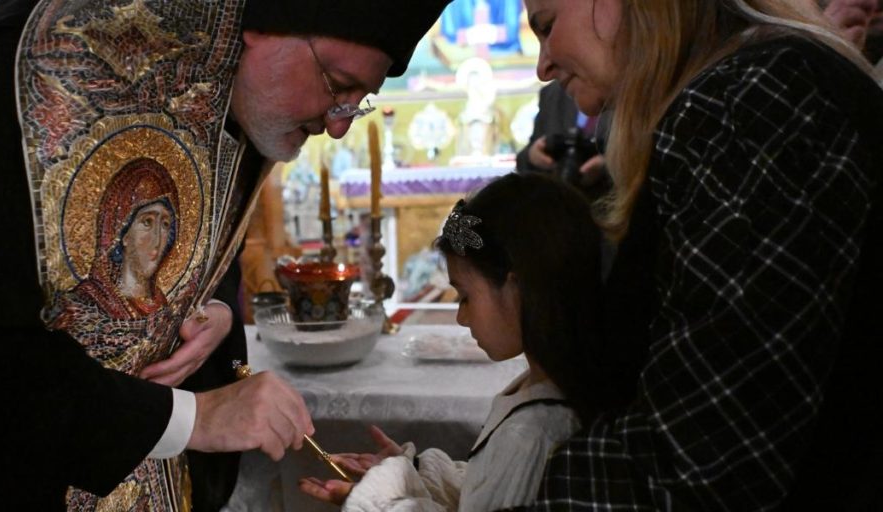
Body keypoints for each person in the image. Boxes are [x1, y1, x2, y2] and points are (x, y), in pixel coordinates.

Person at [0, 0, 452, 510]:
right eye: (338, 86)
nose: (339, 124)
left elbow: (204, 246)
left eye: (359, 102)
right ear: (263, 26)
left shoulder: (234, 94)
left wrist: (211, 310)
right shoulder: (8, 76)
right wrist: (195, 419)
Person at [508, 0, 883, 510]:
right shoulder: (753, 85)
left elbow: (699, 462)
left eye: (547, 27)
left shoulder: (746, 101)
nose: (543, 65)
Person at [298, 172, 626, 511]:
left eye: (465, 296)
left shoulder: (535, 431)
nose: (460, 317)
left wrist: (376, 503)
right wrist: (412, 474)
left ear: (517, 290)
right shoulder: (543, 387)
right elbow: (486, 491)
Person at [515, 82, 611, 200]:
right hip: (556, 204)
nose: (543, 73)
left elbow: (638, 159)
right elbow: (523, 158)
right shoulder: (552, 93)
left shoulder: (627, 91)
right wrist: (532, 155)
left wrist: (608, 165)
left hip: (610, 205)